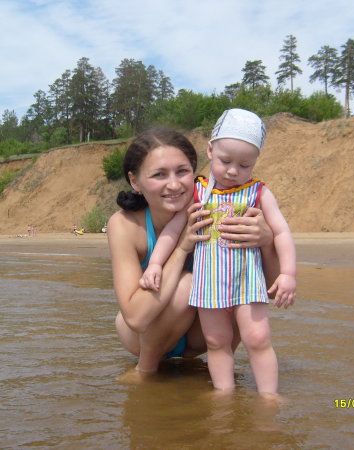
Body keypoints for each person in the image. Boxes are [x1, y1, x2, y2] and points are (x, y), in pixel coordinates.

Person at [139, 109, 296, 395]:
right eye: (225, 161)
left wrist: (288, 274)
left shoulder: (259, 193)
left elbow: (282, 232)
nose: (233, 171)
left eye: (245, 165)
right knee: (216, 341)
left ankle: (269, 396)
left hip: (248, 282)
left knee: (258, 338)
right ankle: (224, 393)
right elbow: (173, 231)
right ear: (210, 150)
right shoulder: (198, 193)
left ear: (256, 162)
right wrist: (155, 264)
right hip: (208, 283)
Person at [107, 127, 280, 375]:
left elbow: (270, 289)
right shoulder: (125, 225)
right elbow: (135, 318)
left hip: (200, 337)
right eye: (159, 174)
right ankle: (144, 371)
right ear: (135, 181)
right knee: (186, 285)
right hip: (142, 335)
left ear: (195, 172)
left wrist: (266, 241)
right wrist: (182, 248)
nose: (174, 184)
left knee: (239, 288)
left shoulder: (221, 209)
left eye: (182, 171)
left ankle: (222, 375)